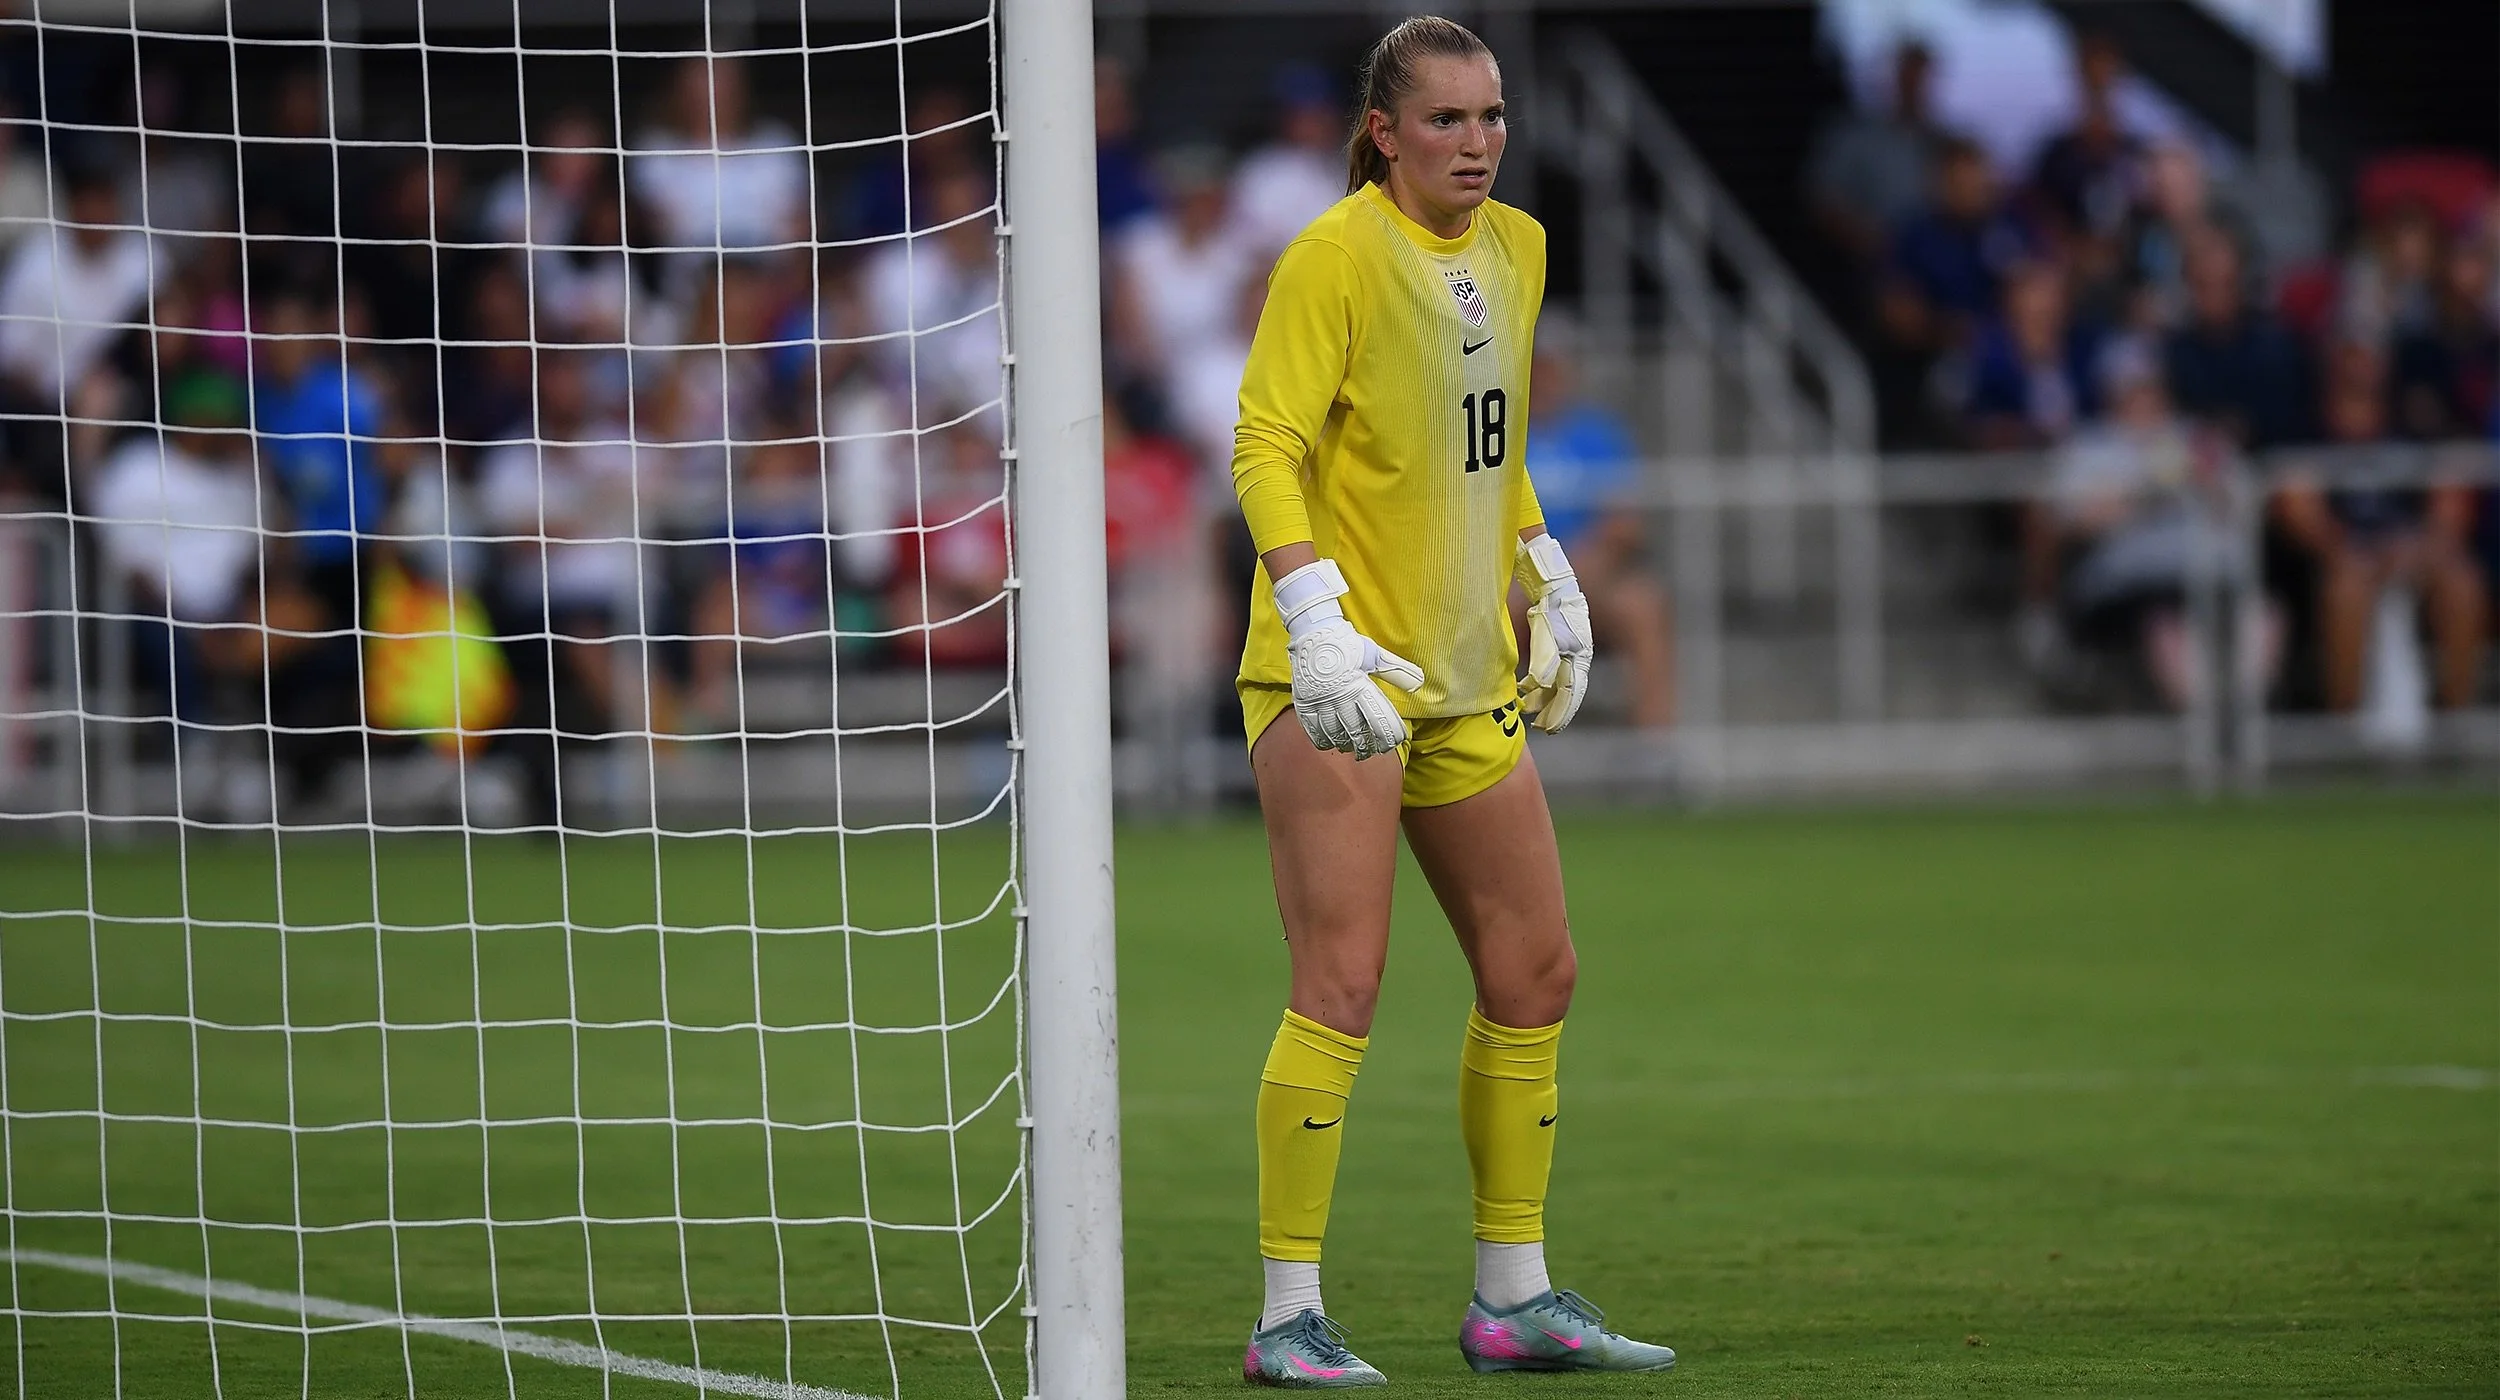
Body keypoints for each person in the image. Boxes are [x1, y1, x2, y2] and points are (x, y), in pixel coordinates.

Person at [1227, 17, 1675, 1387]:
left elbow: (1492, 440)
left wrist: (1547, 569)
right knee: (1343, 985)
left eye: (1491, 119)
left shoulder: (1521, 249)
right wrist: (1312, 622)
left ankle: (1513, 1298)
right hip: (1341, 680)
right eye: (1445, 121)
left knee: (1536, 973)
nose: (1476, 143)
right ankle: (1286, 1316)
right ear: (1384, 131)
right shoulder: (1334, 257)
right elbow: (1267, 441)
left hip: (1468, 676)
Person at [1521, 318, 1674, 727]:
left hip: (1591, 578)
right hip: (1519, 582)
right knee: (1488, 615)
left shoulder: (1600, 435)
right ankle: (1498, 746)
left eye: (1552, 367)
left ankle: (1655, 747)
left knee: (1643, 607)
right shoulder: (1505, 431)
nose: (1545, 377)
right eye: (1536, 366)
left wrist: (1570, 578)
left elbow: (1624, 525)